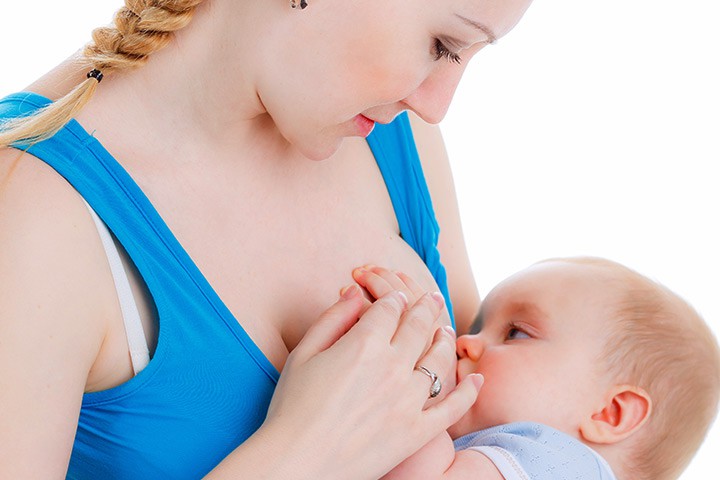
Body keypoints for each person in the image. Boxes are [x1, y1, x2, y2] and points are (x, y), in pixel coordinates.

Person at [0, 0, 539, 478]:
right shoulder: (30, 207)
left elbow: (496, 423)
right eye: (442, 45)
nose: (436, 105)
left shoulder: (394, 136)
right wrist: (304, 455)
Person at [350, 259, 720, 480]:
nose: (464, 341)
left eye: (515, 333)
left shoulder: (557, 463)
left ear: (610, 413)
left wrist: (421, 372)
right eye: (476, 326)